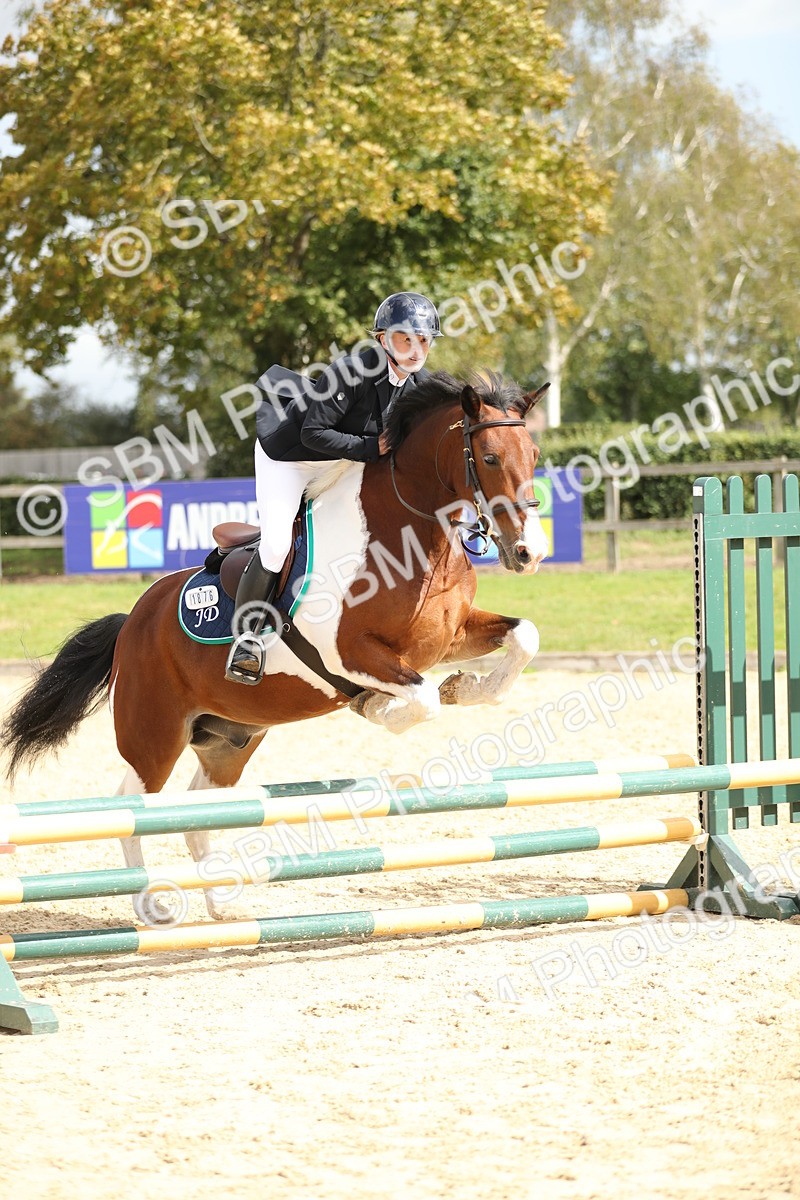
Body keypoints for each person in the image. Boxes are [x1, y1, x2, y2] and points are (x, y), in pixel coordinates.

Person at [225, 291, 442, 685]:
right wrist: (369, 448)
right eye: (405, 339)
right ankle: (247, 640)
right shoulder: (351, 371)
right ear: (382, 340)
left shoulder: (419, 384)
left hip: (344, 461)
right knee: (277, 544)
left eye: (423, 340)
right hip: (291, 458)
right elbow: (312, 433)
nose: (415, 349)